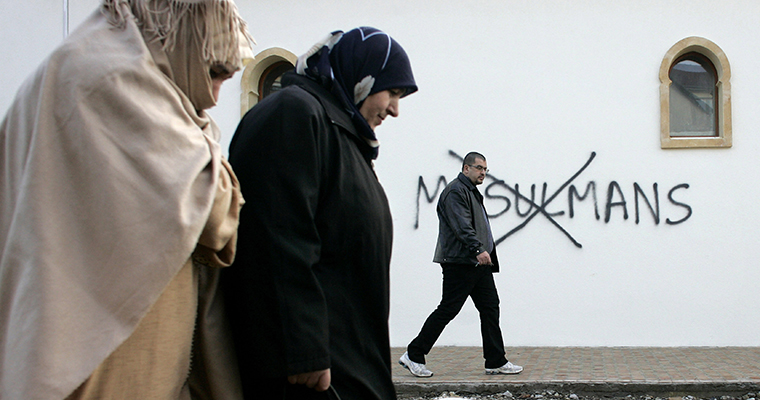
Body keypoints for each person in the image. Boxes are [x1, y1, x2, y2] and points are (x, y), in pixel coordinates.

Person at [0, 0, 252, 398]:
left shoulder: (78, 62)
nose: (216, 98)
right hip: (101, 363)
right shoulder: (116, 79)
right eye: (214, 73)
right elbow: (217, 215)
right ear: (184, 39)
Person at [221, 27, 417, 399]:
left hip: (345, 360)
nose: (394, 109)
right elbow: (278, 237)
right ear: (361, 75)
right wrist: (304, 348)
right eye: (391, 91)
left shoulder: (340, 131)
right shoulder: (294, 112)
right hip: (312, 374)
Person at [399, 152, 524, 377]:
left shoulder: (470, 192)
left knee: (490, 307)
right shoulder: (455, 191)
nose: (483, 173)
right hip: (461, 262)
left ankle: (495, 361)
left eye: (485, 169)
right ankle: (414, 354)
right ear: (466, 168)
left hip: (477, 264)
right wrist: (478, 249)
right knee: (448, 308)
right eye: (478, 168)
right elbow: (462, 226)